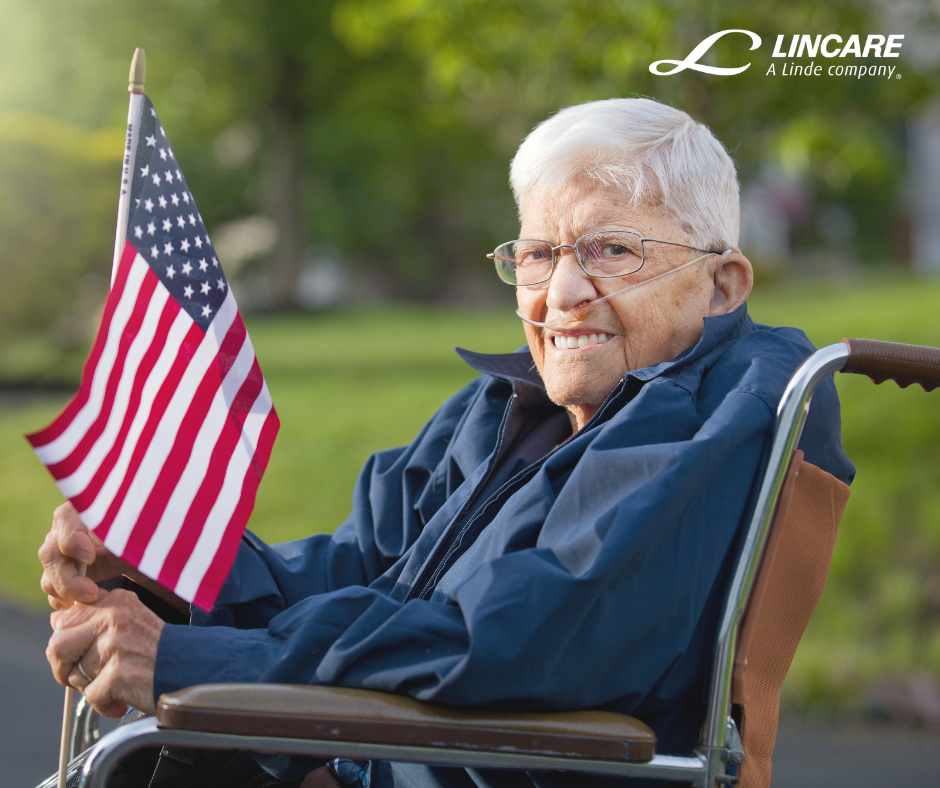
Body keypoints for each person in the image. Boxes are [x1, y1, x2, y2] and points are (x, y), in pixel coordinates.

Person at [41, 97, 854, 787]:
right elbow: (357, 571)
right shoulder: (513, 405)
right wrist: (168, 564)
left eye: (613, 250)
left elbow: (518, 639)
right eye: (537, 254)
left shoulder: (728, 411)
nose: (562, 293)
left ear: (722, 284)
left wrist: (191, 663)